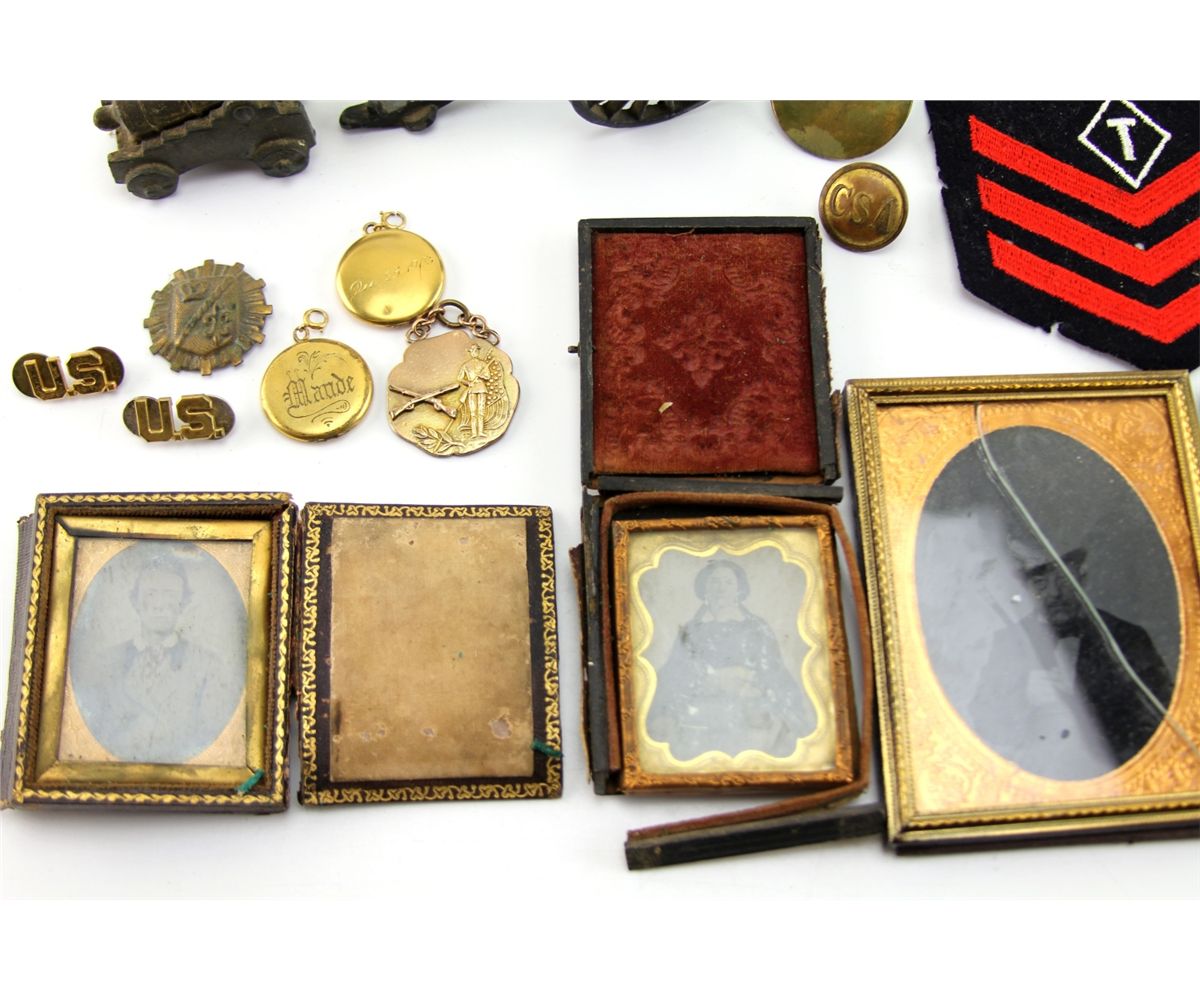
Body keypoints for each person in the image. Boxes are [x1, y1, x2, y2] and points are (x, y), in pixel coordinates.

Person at [74, 549, 242, 764]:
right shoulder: (106, 663)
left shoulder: (208, 666)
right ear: (136, 602)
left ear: (183, 603)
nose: (160, 604)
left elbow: (210, 736)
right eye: (151, 594)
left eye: (170, 594)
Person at [645, 559, 816, 760]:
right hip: (700, 709)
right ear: (705, 588)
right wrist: (708, 680)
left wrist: (751, 685)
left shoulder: (756, 627)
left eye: (728, 582)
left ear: (738, 589)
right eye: (715, 581)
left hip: (749, 708)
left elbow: (772, 669)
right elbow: (676, 669)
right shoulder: (691, 629)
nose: (721, 588)